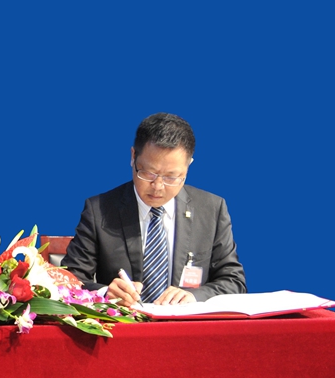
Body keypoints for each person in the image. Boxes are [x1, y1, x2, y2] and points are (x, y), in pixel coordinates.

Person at [61, 112, 246, 306]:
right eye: (148, 173)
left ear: (188, 165)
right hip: (125, 322)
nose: (158, 186)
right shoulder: (100, 210)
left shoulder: (211, 210)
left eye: (171, 177)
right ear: (133, 156)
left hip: (186, 323)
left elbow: (234, 282)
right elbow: (68, 279)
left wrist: (195, 296)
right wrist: (105, 293)